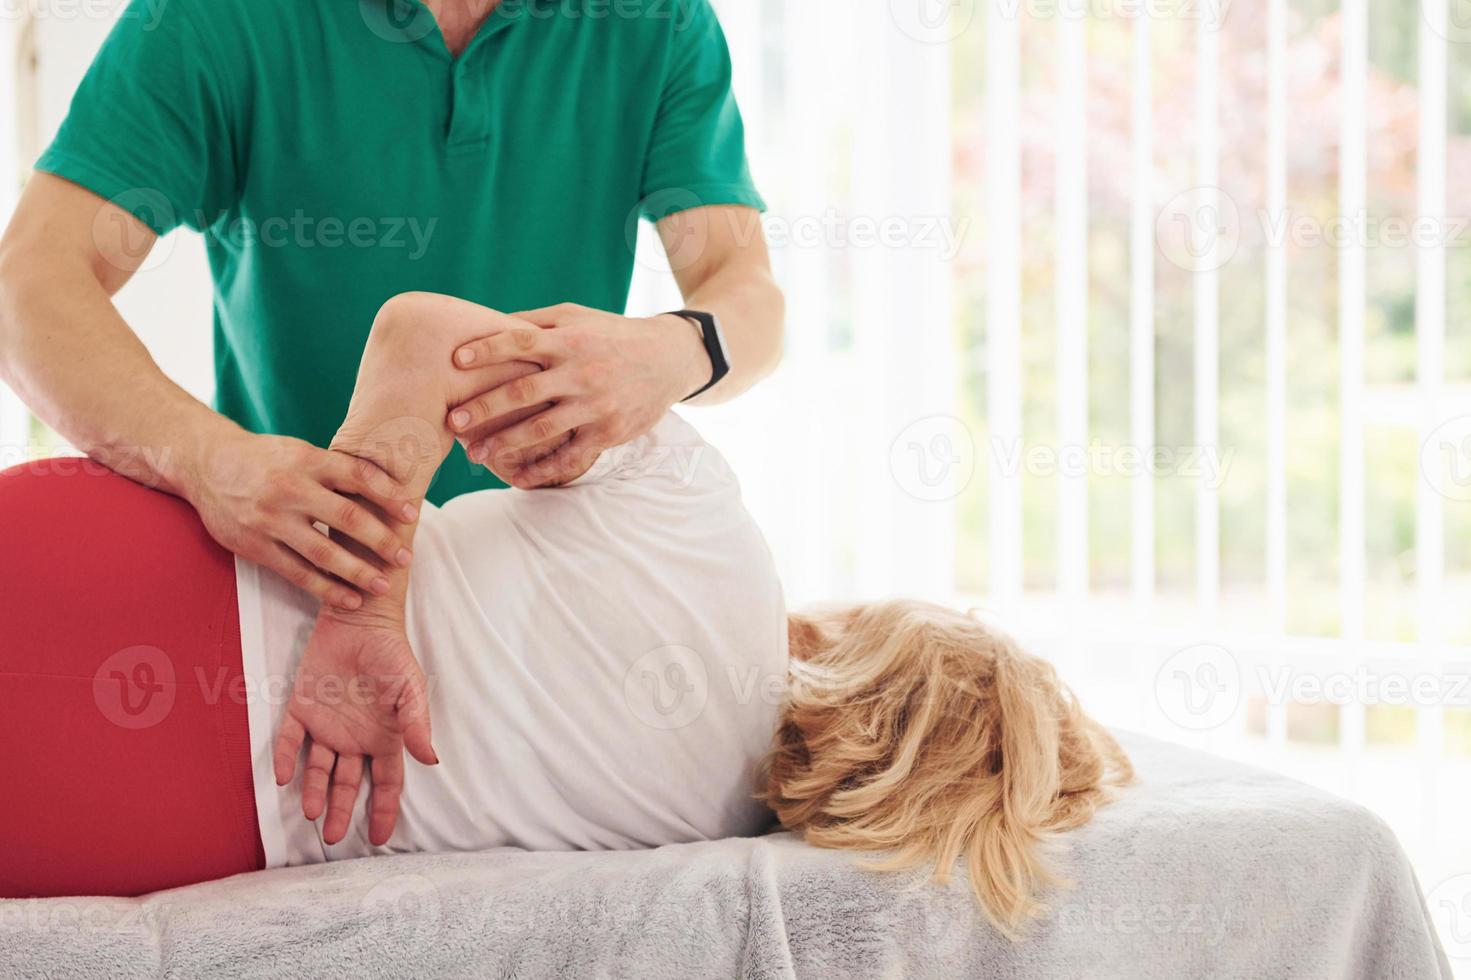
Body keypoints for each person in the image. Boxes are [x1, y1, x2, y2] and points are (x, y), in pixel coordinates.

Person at [0, 293, 1130, 935]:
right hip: (187, 815)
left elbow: (420, 337)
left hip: (162, 574)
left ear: (860, 637)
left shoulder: (705, 525)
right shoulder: (710, 831)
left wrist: (362, 605)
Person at [0, 0, 784, 616]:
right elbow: (27, 286)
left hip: (554, 596)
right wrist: (211, 463)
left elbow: (744, 291)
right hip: (292, 591)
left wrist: (673, 352)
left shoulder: (661, 19)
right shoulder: (217, 15)